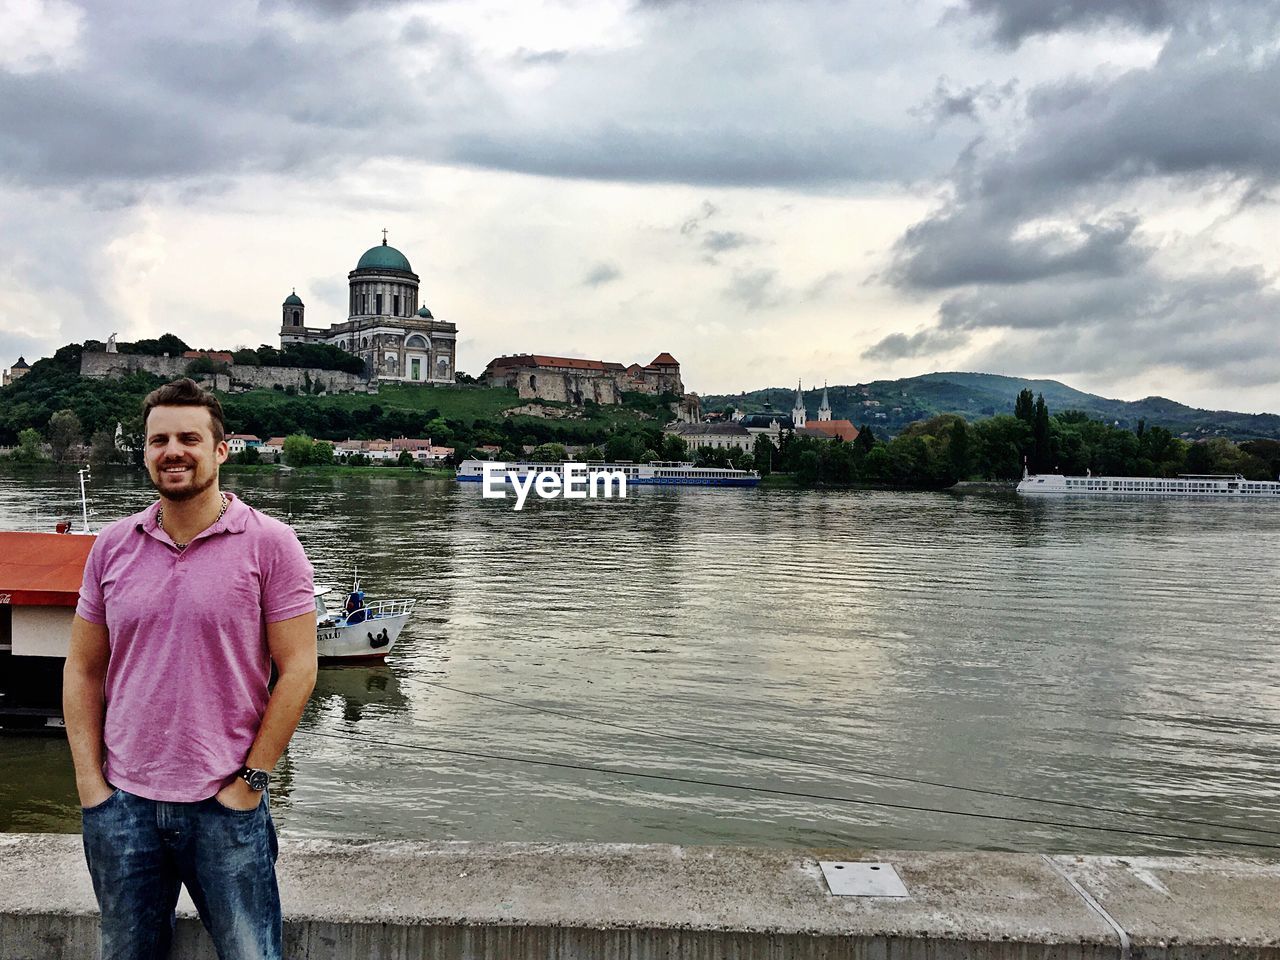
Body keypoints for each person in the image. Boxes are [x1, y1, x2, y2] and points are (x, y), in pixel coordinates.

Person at [64, 378, 317, 960]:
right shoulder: (111, 546)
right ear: (146, 451)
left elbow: (299, 668)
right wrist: (89, 784)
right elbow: (81, 670)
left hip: (224, 803)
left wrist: (251, 782)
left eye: (188, 438)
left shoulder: (271, 545)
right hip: (122, 802)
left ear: (220, 450)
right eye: (158, 440)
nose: (172, 451)